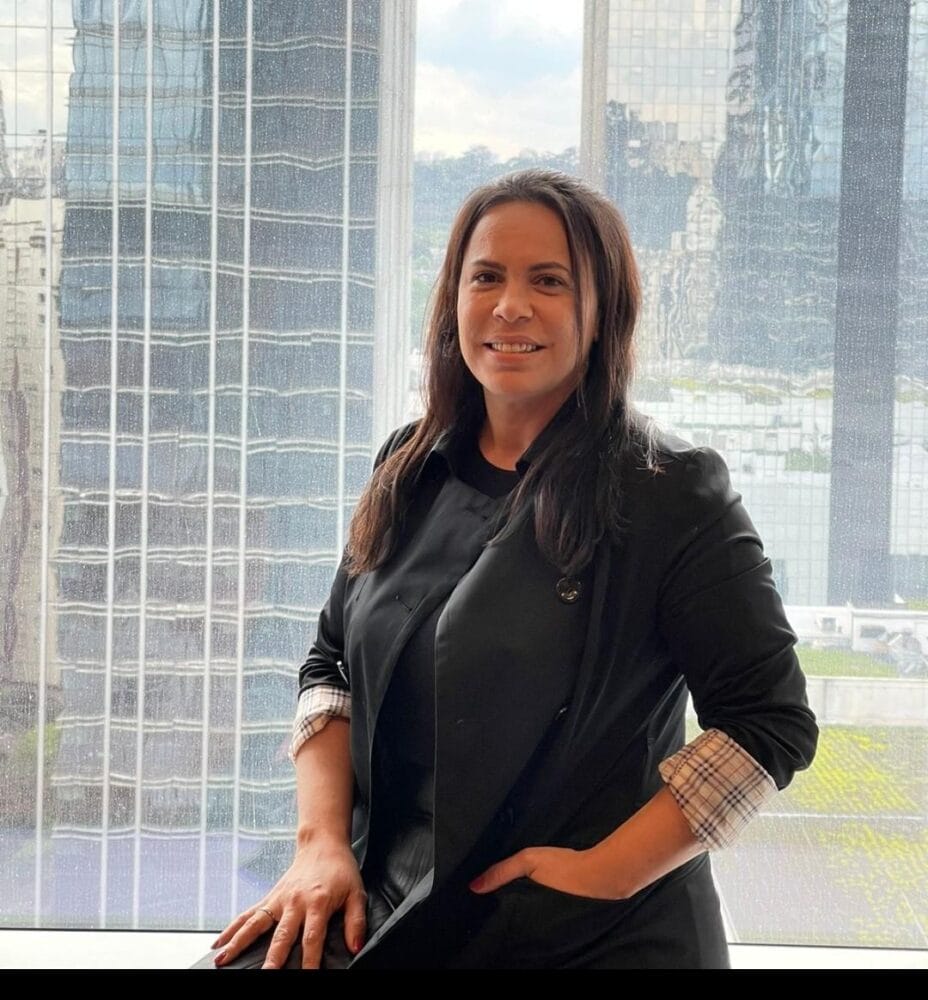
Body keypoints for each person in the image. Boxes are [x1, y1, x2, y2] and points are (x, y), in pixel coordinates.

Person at [197, 168, 818, 970]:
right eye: (485, 276)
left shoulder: (671, 491)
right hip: (387, 897)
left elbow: (769, 723)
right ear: (453, 300)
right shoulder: (407, 464)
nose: (510, 305)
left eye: (549, 281)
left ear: (602, 311)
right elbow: (331, 668)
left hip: (585, 933)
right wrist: (320, 845)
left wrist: (611, 871)